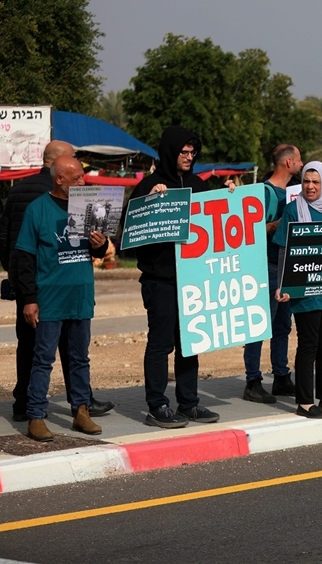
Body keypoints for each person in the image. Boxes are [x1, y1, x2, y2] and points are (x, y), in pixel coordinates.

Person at [0, 140, 114, 423]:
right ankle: (34, 413)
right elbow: (22, 253)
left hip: (79, 295)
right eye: (77, 176)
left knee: (78, 357)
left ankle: (80, 409)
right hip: (47, 295)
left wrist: (99, 244)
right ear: (58, 176)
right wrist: (29, 295)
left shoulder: (88, 205)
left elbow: (94, 248)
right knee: (42, 357)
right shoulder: (38, 207)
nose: (83, 181)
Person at [130, 126, 219, 428]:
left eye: (193, 152)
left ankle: (188, 403)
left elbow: (215, 219)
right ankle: (157, 406)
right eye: (183, 152)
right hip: (161, 281)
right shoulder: (148, 187)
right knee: (160, 344)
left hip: (192, 280)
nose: (189, 157)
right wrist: (150, 206)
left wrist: (231, 196)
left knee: (190, 343)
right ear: (170, 151)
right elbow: (129, 236)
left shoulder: (198, 185)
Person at [274, 162, 322, 417]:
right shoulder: (292, 210)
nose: (310, 186)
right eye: (307, 181)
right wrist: (282, 285)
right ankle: (305, 401)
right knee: (308, 345)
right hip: (306, 290)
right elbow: (284, 249)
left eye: (315, 182)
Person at [243, 143, 302, 404]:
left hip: (287, 266)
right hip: (268, 266)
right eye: (299, 159)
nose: (302, 163)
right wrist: (276, 225)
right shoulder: (264, 193)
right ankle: (252, 381)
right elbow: (250, 230)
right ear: (288, 163)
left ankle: (281, 376)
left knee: (282, 325)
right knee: (259, 326)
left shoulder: (294, 192)